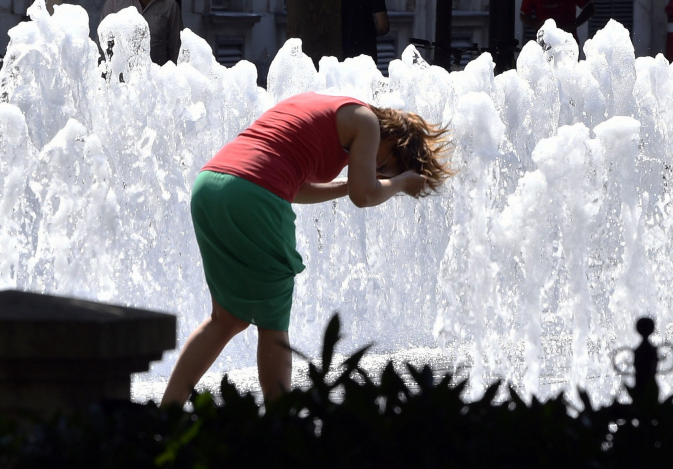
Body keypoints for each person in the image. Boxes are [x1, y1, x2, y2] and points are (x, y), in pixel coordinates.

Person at [161, 92, 453, 405]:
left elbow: (297, 189)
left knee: (227, 318)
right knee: (272, 323)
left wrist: (354, 181)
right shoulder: (367, 122)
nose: (376, 169)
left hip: (211, 187)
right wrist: (403, 182)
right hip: (254, 194)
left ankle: (167, 411)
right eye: (382, 164)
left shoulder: (325, 108)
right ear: (396, 138)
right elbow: (364, 195)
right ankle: (281, 426)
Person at [100, 0, 183, 65]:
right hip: (121, 83)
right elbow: (102, 48)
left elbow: (176, 50)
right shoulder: (114, 3)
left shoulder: (170, 6)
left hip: (157, 82)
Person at [519, 0, 595, 45]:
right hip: (544, 42)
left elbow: (590, 8)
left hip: (568, 42)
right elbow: (524, 16)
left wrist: (572, 25)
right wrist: (538, 25)